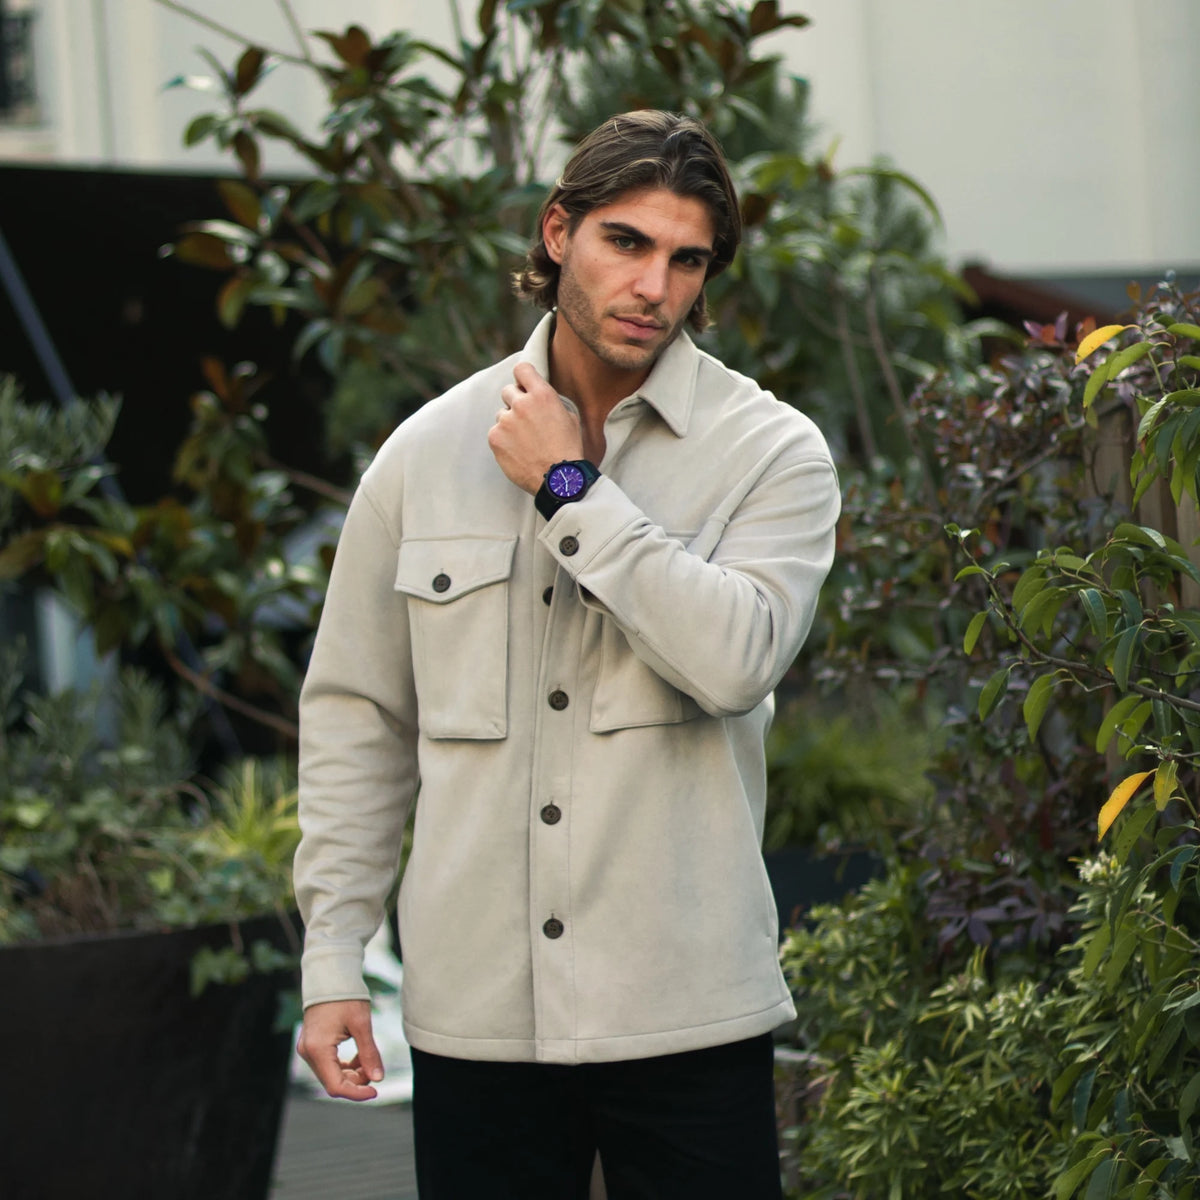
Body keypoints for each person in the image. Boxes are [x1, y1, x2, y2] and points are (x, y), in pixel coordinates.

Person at [293, 109, 840, 1198]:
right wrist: (332, 957)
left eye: (687, 260)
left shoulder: (772, 454)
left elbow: (737, 659)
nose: (654, 286)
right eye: (626, 242)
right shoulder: (424, 455)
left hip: (687, 1012)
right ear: (558, 232)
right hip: (476, 1016)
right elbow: (360, 717)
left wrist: (570, 491)